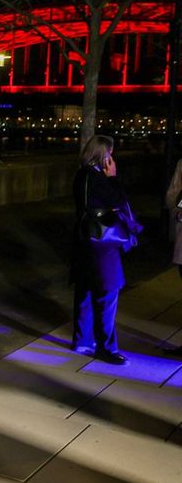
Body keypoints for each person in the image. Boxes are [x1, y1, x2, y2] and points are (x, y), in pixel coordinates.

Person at [73, 135, 139, 365]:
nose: (112, 158)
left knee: (86, 290)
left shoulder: (82, 174)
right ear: (103, 154)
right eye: (110, 154)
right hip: (103, 242)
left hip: (85, 240)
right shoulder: (99, 178)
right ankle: (106, 348)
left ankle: (82, 340)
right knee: (109, 292)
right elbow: (119, 200)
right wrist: (113, 178)